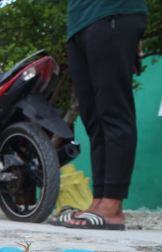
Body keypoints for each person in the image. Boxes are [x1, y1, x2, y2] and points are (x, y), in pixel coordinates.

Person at [52, 0, 147, 231]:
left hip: (113, 13)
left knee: (114, 110)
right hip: (79, 22)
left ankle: (113, 204)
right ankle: (99, 200)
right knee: (93, 118)